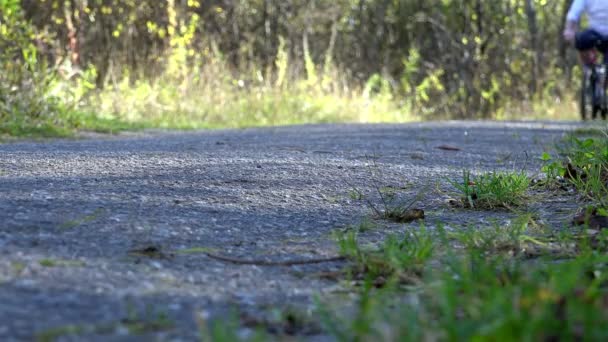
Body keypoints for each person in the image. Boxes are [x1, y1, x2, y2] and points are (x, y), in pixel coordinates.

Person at [563, 0, 608, 65]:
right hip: (595, 34)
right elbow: (574, 13)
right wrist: (569, 29)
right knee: (581, 40)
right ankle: (589, 69)